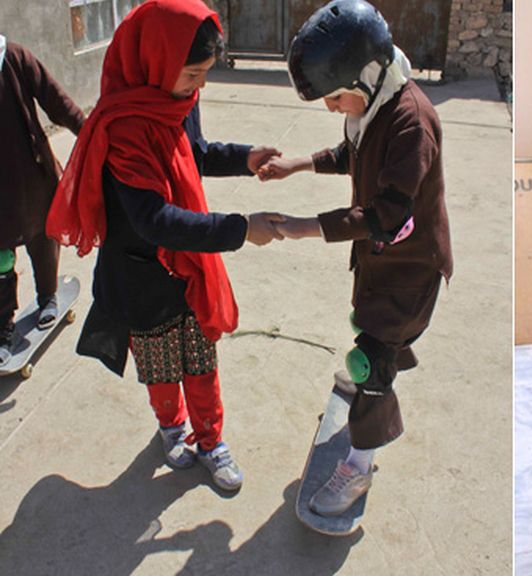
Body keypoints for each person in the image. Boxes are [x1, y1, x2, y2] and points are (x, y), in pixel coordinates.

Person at [46, 0, 284, 492]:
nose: (199, 87)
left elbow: (193, 154)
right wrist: (240, 229)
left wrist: (245, 158)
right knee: (160, 368)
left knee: (200, 361)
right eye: (192, 74)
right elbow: (153, 220)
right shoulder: (125, 125)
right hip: (142, 271)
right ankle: (171, 427)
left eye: (204, 75)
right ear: (156, 59)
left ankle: (211, 439)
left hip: (188, 262)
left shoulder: (177, 100)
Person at [256, 0, 452, 522]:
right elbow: (352, 154)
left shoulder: (412, 123)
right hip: (379, 261)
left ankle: (360, 463)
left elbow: (388, 212)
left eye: (334, 96)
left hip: (410, 267)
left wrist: (307, 226)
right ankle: (380, 365)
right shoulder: (372, 104)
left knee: (369, 360)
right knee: (366, 327)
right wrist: (299, 163)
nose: (331, 108)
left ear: (367, 74)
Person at [0, 36, 85, 365]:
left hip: (31, 177)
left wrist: (90, 131)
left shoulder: (14, 56)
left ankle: (48, 297)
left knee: (42, 238)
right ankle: (4, 327)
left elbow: (57, 101)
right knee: (1, 258)